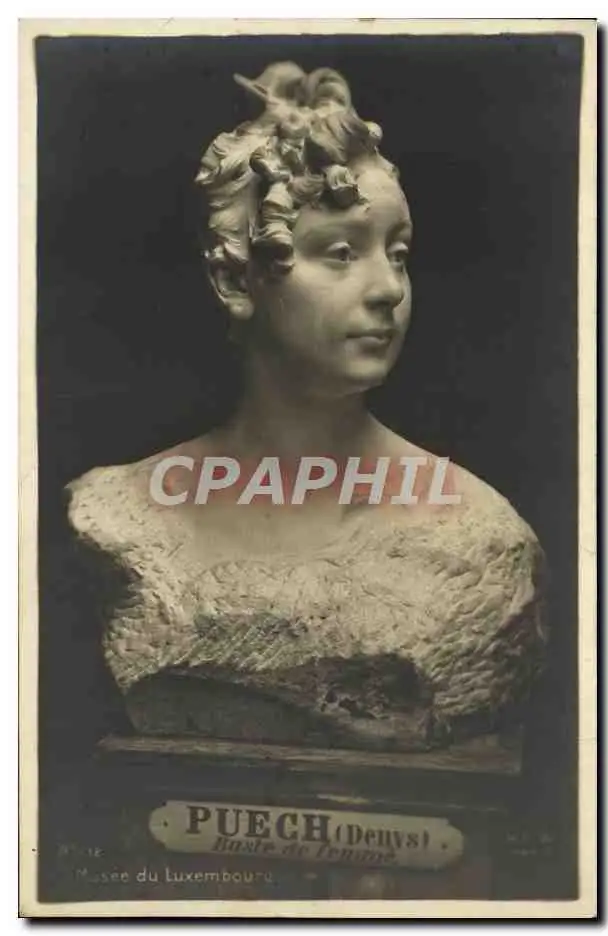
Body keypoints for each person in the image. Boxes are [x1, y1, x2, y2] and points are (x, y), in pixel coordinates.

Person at [65, 63, 547, 752]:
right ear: (235, 279)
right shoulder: (116, 516)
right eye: (341, 253)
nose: (388, 288)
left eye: (399, 254)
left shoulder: (478, 538)